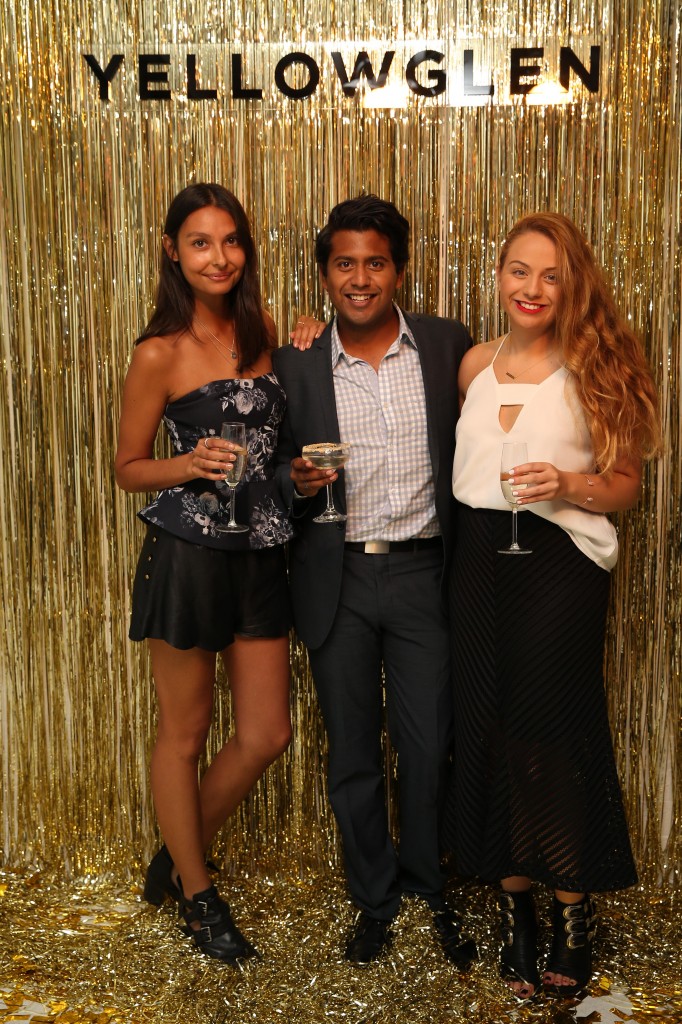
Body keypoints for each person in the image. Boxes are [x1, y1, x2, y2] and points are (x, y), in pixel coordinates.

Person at [444, 212, 662, 999]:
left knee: (551, 735)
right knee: (488, 725)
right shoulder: (474, 364)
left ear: (575, 285)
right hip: (478, 562)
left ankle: (573, 913)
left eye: (551, 275)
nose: (532, 288)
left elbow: (625, 487)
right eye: (519, 270)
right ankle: (517, 915)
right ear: (499, 275)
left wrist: (568, 484)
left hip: (560, 566)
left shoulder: (599, 366)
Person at [115, 183, 320, 963]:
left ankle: (178, 853)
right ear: (173, 252)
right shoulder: (158, 353)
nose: (219, 257)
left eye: (231, 240)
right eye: (200, 243)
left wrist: (312, 336)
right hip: (189, 556)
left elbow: (279, 441)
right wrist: (187, 463)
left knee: (267, 732)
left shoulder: (263, 332)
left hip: (262, 550)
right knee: (187, 731)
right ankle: (199, 899)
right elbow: (128, 469)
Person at [273, 195, 478, 967]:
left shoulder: (446, 343)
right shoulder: (295, 359)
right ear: (325, 274)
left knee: (428, 747)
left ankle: (428, 887)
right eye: (344, 264)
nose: (360, 278)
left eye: (376, 263)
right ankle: (374, 900)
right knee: (353, 751)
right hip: (338, 576)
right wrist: (295, 482)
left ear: (400, 269)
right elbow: (268, 468)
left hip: (426, 571)